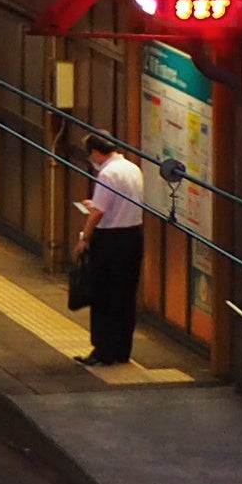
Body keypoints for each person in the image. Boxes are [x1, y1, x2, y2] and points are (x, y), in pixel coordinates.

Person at [74, 136, 147, 368]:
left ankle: (103, 351)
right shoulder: (133, 168)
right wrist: (95, 205)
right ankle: (122, 351)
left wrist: (85, 238)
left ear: (96, 152)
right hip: (133, 236)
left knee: (104, 295)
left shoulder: (107, 173)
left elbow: (98, 214)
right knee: (125, 296)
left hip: (110, 240)